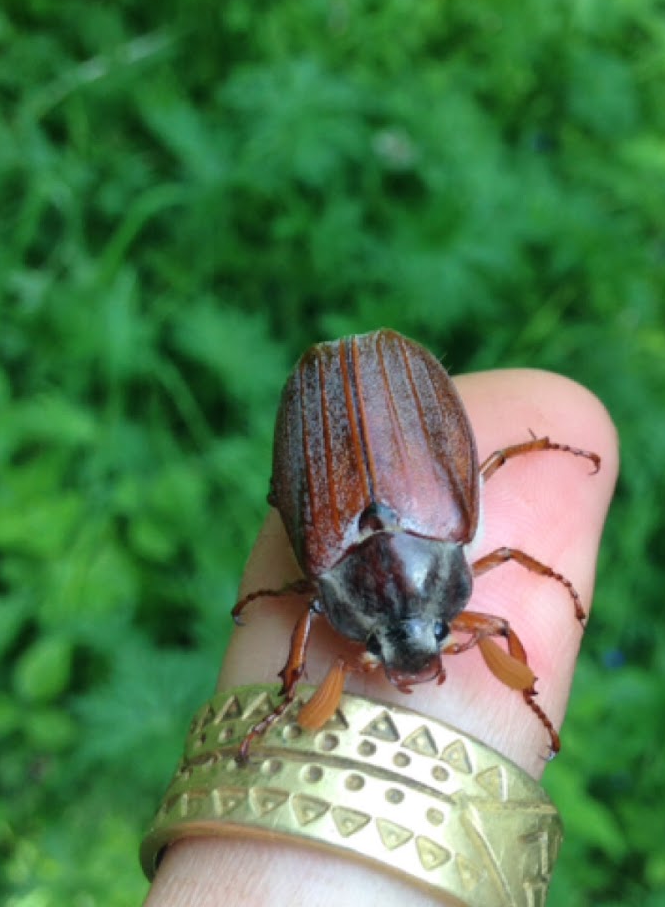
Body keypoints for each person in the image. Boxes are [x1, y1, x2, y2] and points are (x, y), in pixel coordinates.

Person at [143, 366, 618, 906]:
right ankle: (285, 699)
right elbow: (313, 608)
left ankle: (525, 698)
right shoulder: (329, 582)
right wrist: (285, 698)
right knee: (309, 602)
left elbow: (313, 603)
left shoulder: (341, 569)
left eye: (437, 632)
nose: (415, 657)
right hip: (392, 388)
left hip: (368, 401)